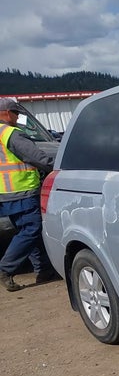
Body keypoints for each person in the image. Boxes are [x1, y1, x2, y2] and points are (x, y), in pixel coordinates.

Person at [0, 97, 58, 292]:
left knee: (28, 231)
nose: (17, 117)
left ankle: (44, 269)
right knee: (31, 229)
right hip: (21, 191)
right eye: (16, 113)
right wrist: (55, 167)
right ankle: (5, 269)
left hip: (6, 193)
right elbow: (35, 156)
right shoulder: (11, 134)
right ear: (7, 113)